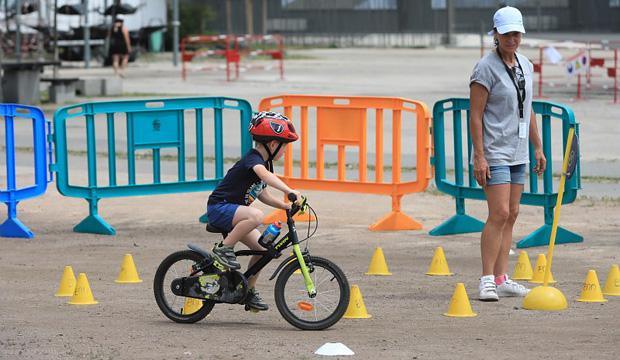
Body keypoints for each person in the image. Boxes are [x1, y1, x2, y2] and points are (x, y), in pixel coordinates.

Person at [469, 6, 547, 301]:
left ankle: (502, 278)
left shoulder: (525, 65)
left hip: (519, 151)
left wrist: (537, 146)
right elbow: (475, 116)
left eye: (517, 33)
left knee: (512, 214)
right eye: (507, 33)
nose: (512, 38)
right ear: (496, 35)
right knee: (498, 213)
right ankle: (487, 278)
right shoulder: (485, 68)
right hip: (494, 151)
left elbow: (528, 108)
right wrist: (480, 155)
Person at [206, 111, 301, 311]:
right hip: (219, 208)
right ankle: (223, 250)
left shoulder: (265, 163)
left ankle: (247, 291)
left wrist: (285, 205)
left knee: (263, 249)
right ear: (273, 145)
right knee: (257, 215)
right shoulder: (254, 159)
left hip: (234, 212)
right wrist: (289, 190)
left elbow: (262, 193)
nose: (284, 151)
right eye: (284, 146)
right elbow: (263, 176)